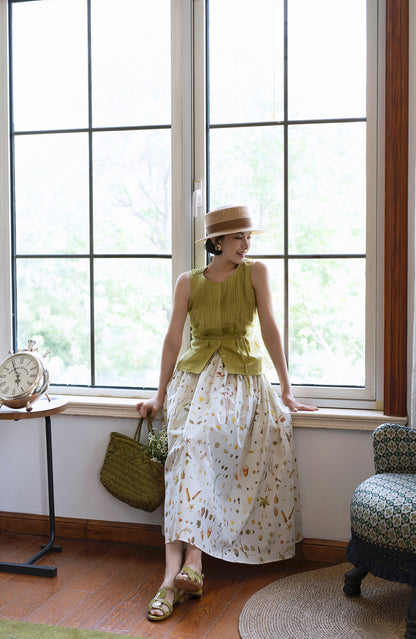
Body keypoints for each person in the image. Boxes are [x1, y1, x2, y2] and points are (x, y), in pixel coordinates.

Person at [137, 204, 318, 622]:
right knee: (183, 457)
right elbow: (171, 341)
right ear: (216, 242)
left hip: (240, 383)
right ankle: (178, 574)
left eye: (248, 237)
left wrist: (287, 388)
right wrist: (159, 395)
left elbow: (270, 327)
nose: (246, 244)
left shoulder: (256, 273)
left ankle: (187, 569)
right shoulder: (188, 282)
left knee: (202, 448)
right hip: (194, 383)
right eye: (238, 237)